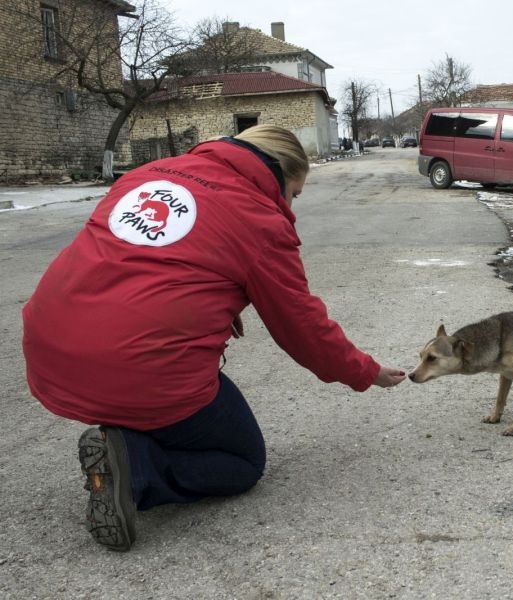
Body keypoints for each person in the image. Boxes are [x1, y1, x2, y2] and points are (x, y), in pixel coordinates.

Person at [22, 125, 406, 552]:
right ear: (279, 174)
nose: (290, 205)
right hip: (142, 369)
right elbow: (303, 329)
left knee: (141, 381)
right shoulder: (261, 218)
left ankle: (122, 440)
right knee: (243, 464)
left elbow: (151, 262)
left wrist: (215, 307)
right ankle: (137, 466)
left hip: (48, 346)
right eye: (293, 194)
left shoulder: (148, 174)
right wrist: (366, 371)